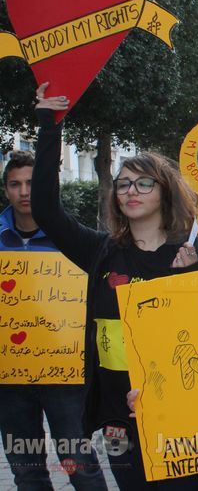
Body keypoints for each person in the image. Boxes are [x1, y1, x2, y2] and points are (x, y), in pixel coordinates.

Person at [31, 83, 198, 490]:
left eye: (144, 183)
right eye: (123, 184)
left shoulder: (197, 254)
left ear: (165, 191)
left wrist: (188, 280)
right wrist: (49, 124)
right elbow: (45, 209)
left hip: (184, 412)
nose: (131, 191)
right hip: (119, 416)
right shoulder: (101, 251)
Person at [0, 150, 108, 489]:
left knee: (81, 465)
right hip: (9, 375)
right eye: (15, 184)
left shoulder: (74, 240)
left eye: (32, 183)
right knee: (25, 470)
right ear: (6, 190)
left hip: (65, 371)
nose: (24, 192)